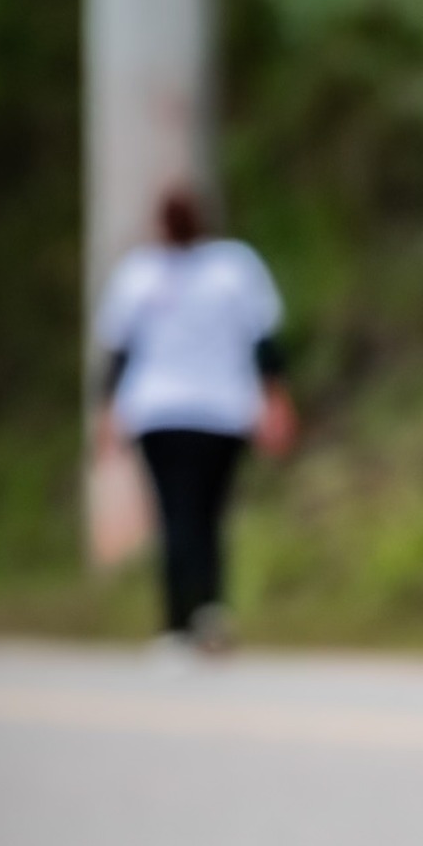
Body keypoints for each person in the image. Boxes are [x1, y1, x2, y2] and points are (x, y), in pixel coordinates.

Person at [94, 189, 295, 652]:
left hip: (160, 412)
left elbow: (118, 356)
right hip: (222, 412)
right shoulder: (235, 267)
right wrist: (277, 402)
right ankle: (209, 610)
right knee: (208, 516)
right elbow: (264, 344)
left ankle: (177, 624)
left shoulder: (139, 274)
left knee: (176, 517)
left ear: (159, 224)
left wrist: (108, 415)